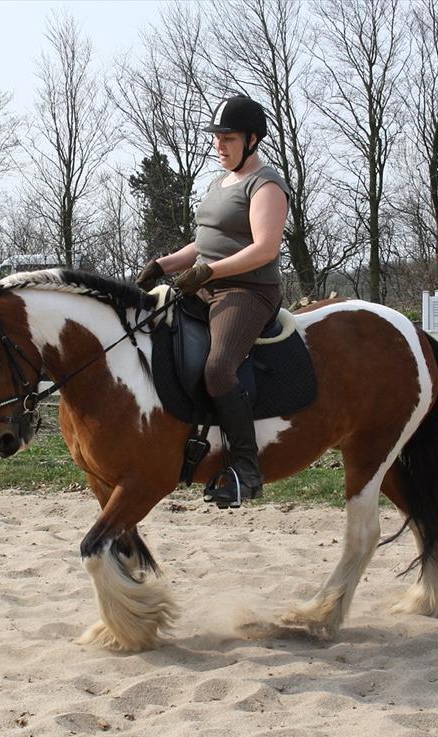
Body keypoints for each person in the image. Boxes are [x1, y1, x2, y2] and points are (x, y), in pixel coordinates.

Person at [134, 94, 290, 508]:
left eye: (229, 138)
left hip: (248, 291)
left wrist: (210, 272)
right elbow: (203, 244)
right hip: (204, 284)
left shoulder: (266, 184)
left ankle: (246, 469)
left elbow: (265, 249)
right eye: (217, 138)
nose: (219, 146)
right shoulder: (218, 183)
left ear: (253, 140)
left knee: (219, 368)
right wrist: (162, 264)